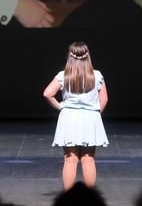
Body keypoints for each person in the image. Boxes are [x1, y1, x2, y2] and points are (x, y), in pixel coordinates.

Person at [43, 42, 109, 191]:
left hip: (69, 118)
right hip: (89, 118)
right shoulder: (97, 75)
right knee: (88, 159)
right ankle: (90, 196)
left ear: (69, 57)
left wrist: (60, 106)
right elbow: (104, 99)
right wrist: (96, 114)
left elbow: (47, 93)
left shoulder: (63, 75)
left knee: (70, 159)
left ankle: (69, 197)